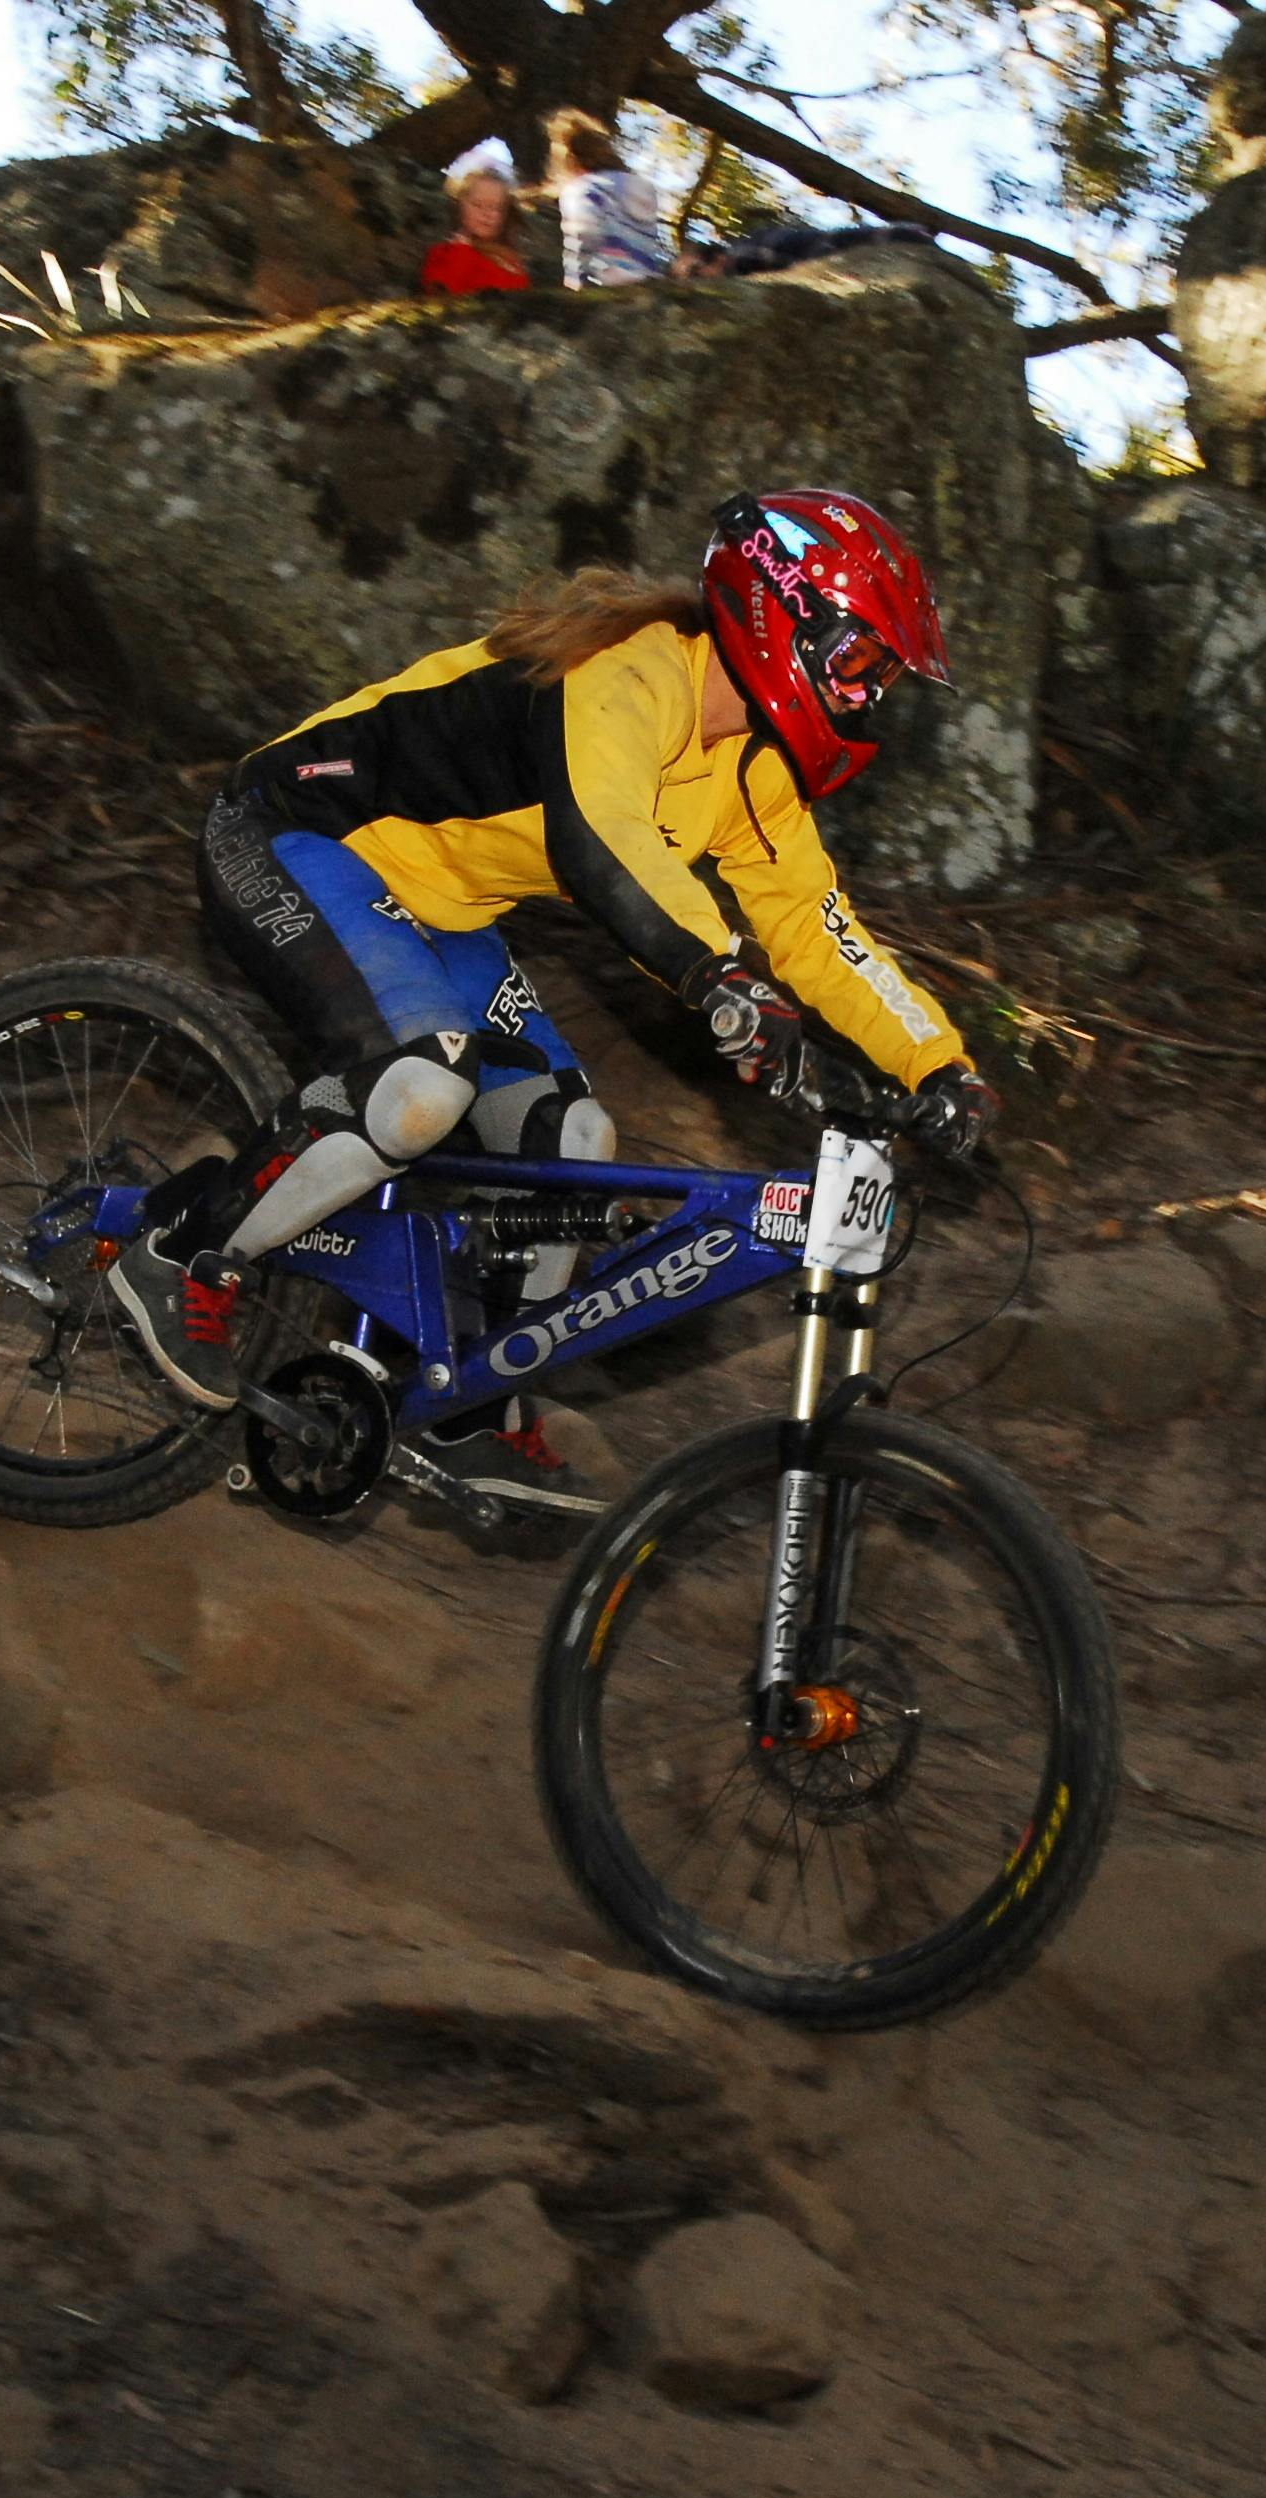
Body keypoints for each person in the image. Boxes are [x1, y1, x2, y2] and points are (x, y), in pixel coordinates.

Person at [120, 487, 1003, 1511]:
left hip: (435, 913)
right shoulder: (629, 675)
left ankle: (462, 1414)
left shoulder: (752, 776)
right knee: (421, 1083)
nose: (863, 699)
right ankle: (181, 1248)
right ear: (779, 615)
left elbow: (814, 929)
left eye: (879, 682)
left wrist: (940, 1065)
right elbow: (602, 838)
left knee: (567, 1133)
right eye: (857, 664)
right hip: (295, 834)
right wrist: (717, 973)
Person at [544, 107, 669, 289]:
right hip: (644, 284)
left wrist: (574, 283)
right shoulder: (643, 189)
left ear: (570, 159)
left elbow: (584, 236)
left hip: (604, 281)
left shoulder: (583, 189)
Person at [673, 222, 938, 281]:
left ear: (718, 257)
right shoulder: (746, 252)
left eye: (696, 272)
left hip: (833, 249)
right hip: (833, 246)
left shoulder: (742, 257)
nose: (695, 283)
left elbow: (797, 270)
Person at [419, 163, 530, 297]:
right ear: (460, 208)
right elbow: (443, 295)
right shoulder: (443, 254)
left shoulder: (511, 260)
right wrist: (461, 251)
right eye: (478, 205)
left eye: (496, 208)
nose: (487, 214)